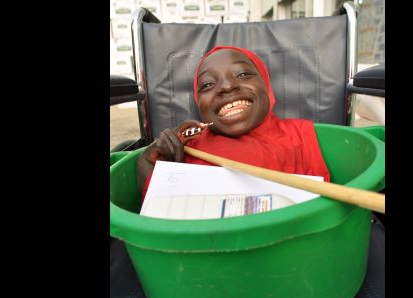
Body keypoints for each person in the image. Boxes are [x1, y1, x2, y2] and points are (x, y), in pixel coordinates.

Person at [137, 46, 331, 197]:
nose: (227, 87)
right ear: (199, 105)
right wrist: (149, 162)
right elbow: (162, 213)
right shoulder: (188, 147)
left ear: (266, 85)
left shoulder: (300, 134)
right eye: (208, 84)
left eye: (242, 74)